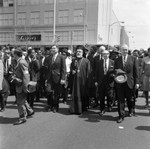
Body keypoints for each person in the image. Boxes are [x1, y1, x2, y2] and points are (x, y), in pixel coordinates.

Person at [114, 44, 139, 123]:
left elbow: (136, 71)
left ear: (128, 50)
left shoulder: (133, 59)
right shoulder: (117, 60)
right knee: (120, 100)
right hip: (120, 83)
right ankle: (121, 115)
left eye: (126, 50)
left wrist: (137, 82)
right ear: (121, 51)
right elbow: (115, 71)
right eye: (123, 50)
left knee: (130, 99)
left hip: (130, 82)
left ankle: (131, 109)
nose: (124, 51)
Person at [12, 48, 34, 125]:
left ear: (16, 54)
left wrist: (25, 87)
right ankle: (30, 111)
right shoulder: (19, 62)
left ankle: (22, 118)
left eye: (13, 53)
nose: (12, 55)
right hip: (20, 85)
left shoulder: (21, 62)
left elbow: (26, 75)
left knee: (19, 103)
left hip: (22, 86)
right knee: (23, 100)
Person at [69, 45, 91, 114]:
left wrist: (88, 81)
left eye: (80, 51)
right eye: (77, 51)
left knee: (83, 94)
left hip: (83, 81)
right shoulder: (73, 60)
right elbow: (71, 69)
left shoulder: (86, 61)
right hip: (75, 82)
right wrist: (72, 71)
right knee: (75, 94)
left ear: (82, 52)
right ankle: (74, 109)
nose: (78, 53)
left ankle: (82, 108)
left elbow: (89, 72)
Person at [44, 45, 66, 113]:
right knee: (48, 91)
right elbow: (46, 68)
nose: (53, 49)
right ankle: (50, 105)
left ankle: (55, 106)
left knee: (56, 93)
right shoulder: (48, 57)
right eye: (52, 48)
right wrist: (46, 78)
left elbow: (63, 68)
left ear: (57, 49)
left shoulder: (61, 57)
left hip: (58, 77)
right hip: (49, 77)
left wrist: (63, 78)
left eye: (54, 48)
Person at [95, 50, 114, 115]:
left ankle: (109, 105)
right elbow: (96, 72)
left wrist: (113, 76)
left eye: (106, 54)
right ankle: (102, 109)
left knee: (109, 96)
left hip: (109, 82)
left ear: (109, 54)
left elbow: (115, 72)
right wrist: (96, 81)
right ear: (102, 55)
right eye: (104, 54)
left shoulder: (113, 62)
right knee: (101, 97)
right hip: (101, 82)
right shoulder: (99, 62)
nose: (105, 55)